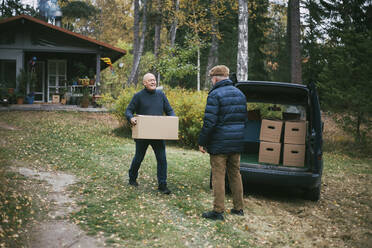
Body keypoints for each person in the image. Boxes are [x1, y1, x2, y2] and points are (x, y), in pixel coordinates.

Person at [198, 65, 247, 220]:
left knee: (218, 176)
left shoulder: (215, 95)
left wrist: (202, 141)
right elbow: (244, 120)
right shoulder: (240, 94)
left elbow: (209, 122)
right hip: (236, 142)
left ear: (216, 78)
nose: (211, 81)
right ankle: (239, 208)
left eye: (211, 79)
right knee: (235, 174)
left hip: (220, 143)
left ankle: (218, 211)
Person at [125, 73, 175, 194]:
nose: (153, 82)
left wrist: (172, 119)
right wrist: (131, 118)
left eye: (154, 80)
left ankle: (162, 184)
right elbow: (128, 110)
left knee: (162, 159)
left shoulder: (161, 95)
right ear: (144, 83)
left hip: (158, 133)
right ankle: (132, 177)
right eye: (150, 80)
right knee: (138, 158)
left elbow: (169, 110)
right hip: (143, 134)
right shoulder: (138, 96)